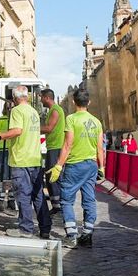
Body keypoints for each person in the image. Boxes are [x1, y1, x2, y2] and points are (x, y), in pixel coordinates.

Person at [47, 88, 104, 248]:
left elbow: (67, 145)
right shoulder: (96, 122)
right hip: (91, 165)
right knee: (89, 199)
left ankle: (71, 236)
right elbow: (100, 148)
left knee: (66, 200)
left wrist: (58, 165)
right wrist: (102, 167)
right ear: (89, 102)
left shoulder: (71, 119)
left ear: (73, 102)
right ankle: (87, 234)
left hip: (75, 165)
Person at [0, 86, 48, 239]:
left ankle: (26, 229)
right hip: (35, 158)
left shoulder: (17, 111)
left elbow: (17, 131)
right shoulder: (33, 111)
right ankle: (45, 228)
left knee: (23, 195)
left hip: (21, 159)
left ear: (15, 97)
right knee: (38, 195)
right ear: (26, 96)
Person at [40, 89, 66, 215]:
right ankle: (56, 205)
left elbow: (49, 128)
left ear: (47, 98)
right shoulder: (53, 110)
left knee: (53, 178)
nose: (40, 100)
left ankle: (59, 206)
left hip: (56, 148)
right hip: (53, 147)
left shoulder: (55, 110)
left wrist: (32, 129)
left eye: (41, 97)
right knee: (51, 177)